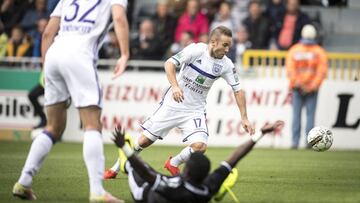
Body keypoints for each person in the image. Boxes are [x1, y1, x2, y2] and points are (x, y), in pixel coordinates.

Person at [12, 0, 130, 202]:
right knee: (92, 124)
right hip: (80, 55)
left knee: (53, 127)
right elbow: (119, 17)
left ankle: (23, 182)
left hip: (54, 55)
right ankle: (97, 192)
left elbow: (48, 32)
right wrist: (125, 53)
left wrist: (45, 65)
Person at [104, 26, 255, 179]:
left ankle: (173, 163)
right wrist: (175, 87)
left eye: (229, 45)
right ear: (213, 42)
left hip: (194, 110)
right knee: (144, 141)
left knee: (200, 146)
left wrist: (244, 117)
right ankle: (115, 168)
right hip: (173, 104)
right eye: (225, 45)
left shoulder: (226, 65)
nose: (228, 49)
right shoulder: (196, 50)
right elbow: (169, 64)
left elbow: (238, 90)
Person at [112, 120, 284, 203]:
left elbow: (145, 173)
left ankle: (124, 162)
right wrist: (259, 133)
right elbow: (234, 158)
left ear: (186, 171)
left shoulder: (174, 188)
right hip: (192, 193)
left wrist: (125, 149)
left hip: (146, 195)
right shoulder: (207, 188)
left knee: (135, 169)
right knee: (145, 171)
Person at [286, 24, 328, 149]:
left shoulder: (294, 50)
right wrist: (312, 86)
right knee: (310, 116)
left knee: (296, 116)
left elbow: (290, 69)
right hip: (312, 89)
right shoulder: (319, 52)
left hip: (297, 88)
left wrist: (298, 83)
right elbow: (321, 72)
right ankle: (309, 143)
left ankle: (294, 143)